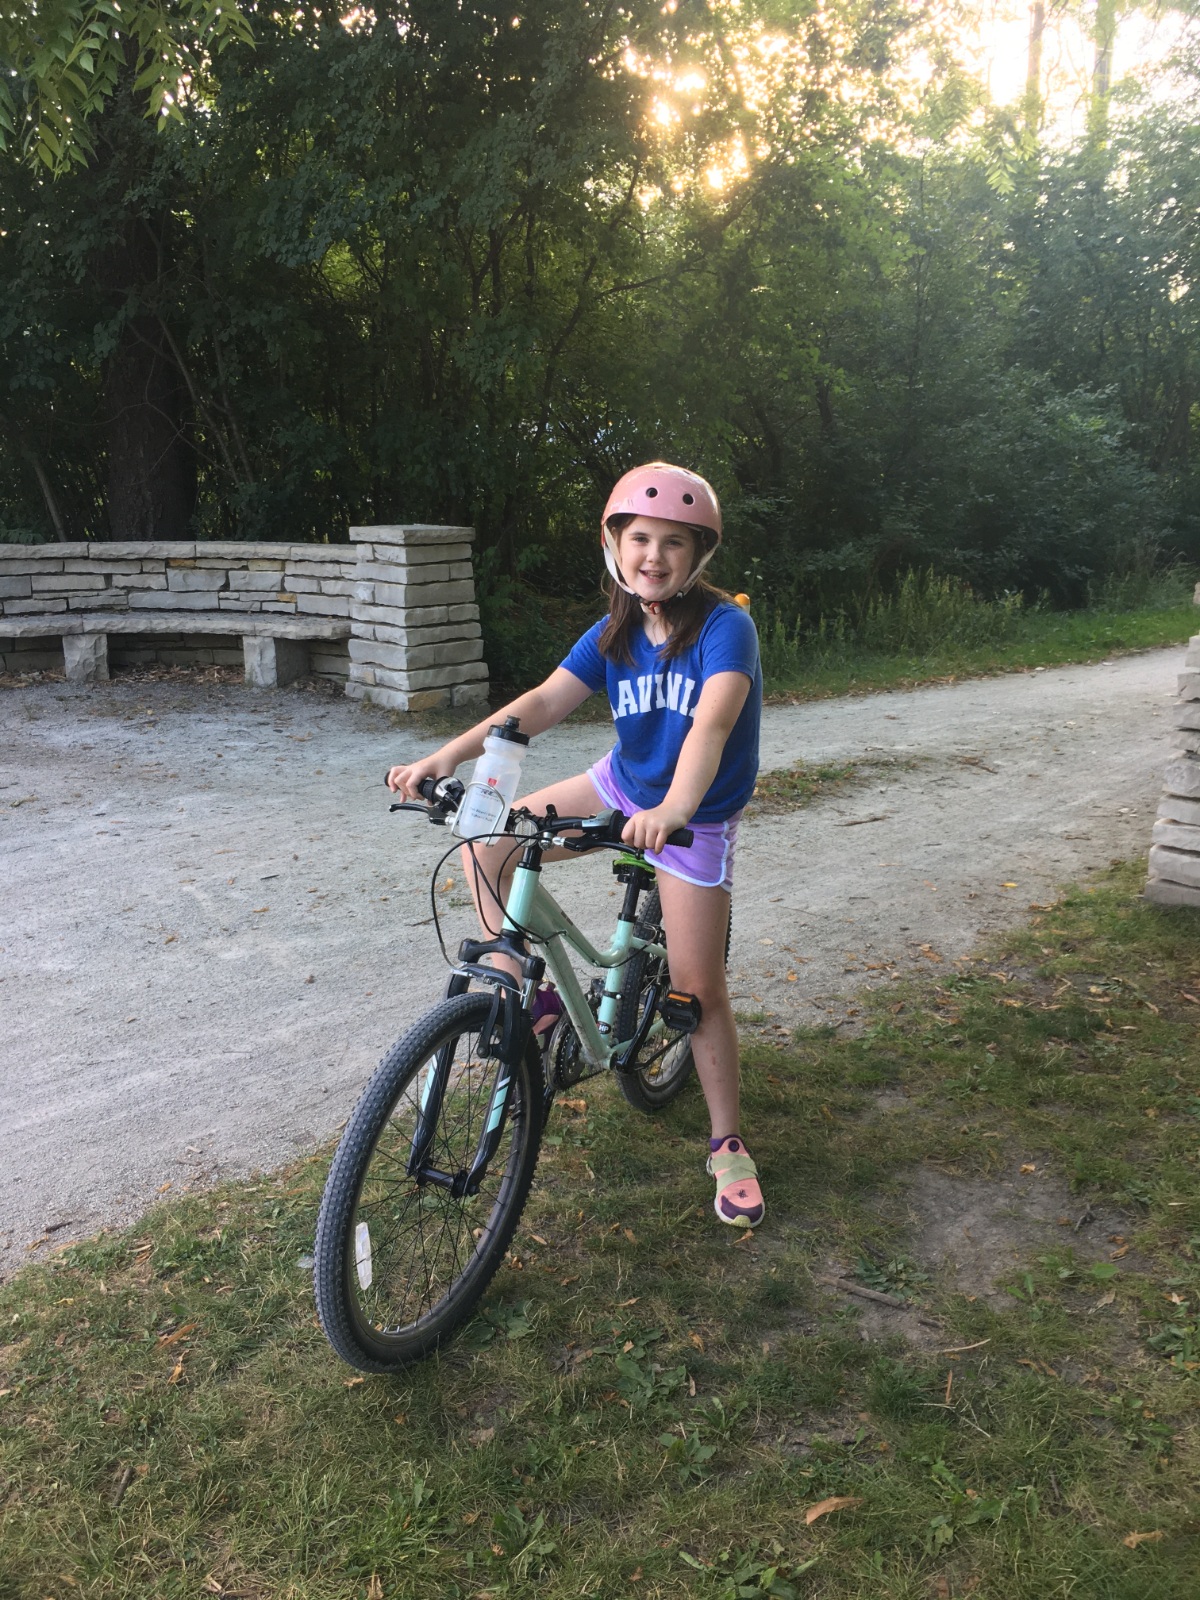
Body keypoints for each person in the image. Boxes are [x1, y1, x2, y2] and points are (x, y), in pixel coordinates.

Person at [386, 462, 765, 1228]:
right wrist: (445, 758)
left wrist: (676, 808)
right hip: (620, 785)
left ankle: (728, 1143)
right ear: (614, 545)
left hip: (689, 816)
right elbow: (540, 703)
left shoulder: (726, 627)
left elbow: (712, 726)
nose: (653, 556)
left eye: (672, 543)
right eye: (639, 539)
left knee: (697, 991)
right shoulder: (615, 631)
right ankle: (528, 993)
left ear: (698, 556)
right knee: (488, 835)